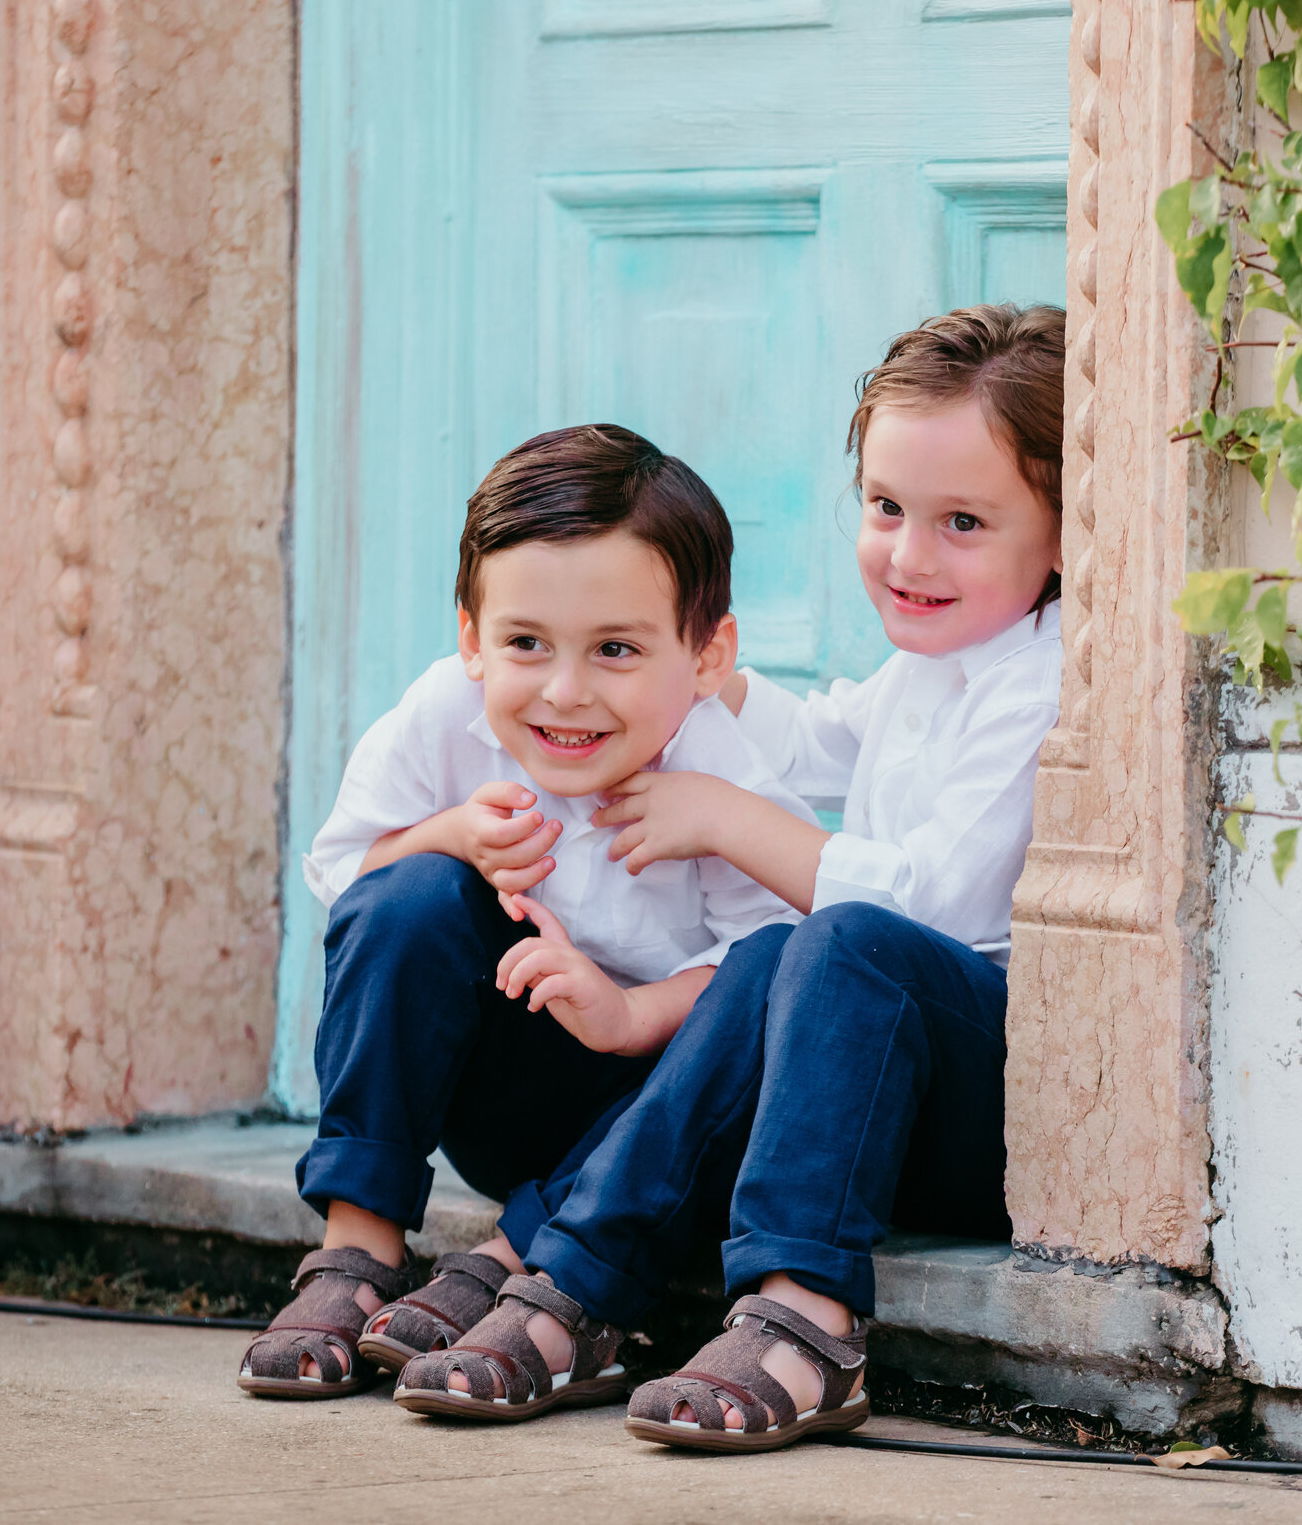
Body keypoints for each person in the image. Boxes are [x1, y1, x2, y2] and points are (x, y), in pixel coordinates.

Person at [389, 304, 1066, 1453]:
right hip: (860, 1103)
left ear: (1062, 532)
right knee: (761, 962)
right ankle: (572, 1272)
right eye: (885, 508)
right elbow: (816, 739)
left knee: (836, 944)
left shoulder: (1038, 682)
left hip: (984, 1110)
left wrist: (728, 817)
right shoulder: (933, 666)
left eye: (962, 521)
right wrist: (677, 666)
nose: (908, 555)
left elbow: (936, 906)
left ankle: (804, 1315)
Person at [237, 424, 815, 1401]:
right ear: (470, 636)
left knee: (754, 1024)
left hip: (660, 1126)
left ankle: (505, 1256)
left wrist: (633, 1014)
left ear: (708, 653)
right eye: (524, 643)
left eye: (617, 649)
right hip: (511, 1087)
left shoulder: (723, 774)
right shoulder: (442, 717)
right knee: (407, 893)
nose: (565, 691)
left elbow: (769, 974)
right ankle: (356, 1246)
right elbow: (344, 873)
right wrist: (450, 834)